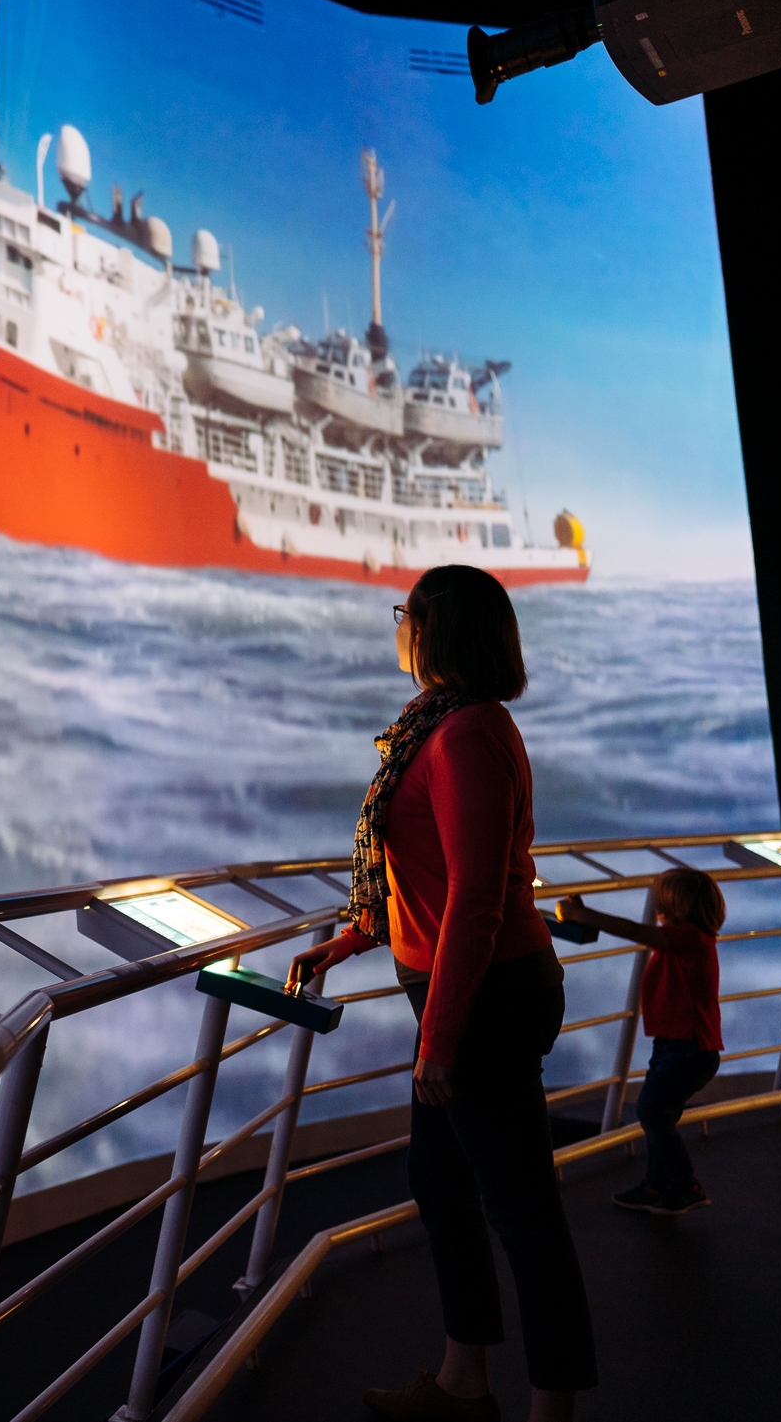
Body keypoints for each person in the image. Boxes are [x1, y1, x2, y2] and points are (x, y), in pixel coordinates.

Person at [288, 565, 595, 1422]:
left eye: (406, 614)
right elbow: (421, 883)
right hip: (462, 996)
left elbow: (475, 899)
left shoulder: (463, 735)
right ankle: (465, 1382)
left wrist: (440, 1041)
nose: (398, 626)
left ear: (434, 628)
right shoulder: (436, 725)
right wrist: (348, 940)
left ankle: (551, 1409)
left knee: (522, 1210)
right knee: (441, 1179)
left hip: (485, 999)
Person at [557, 868, 725, 1215]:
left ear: (678, 908)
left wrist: (582, 916)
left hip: (688, 1049)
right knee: (658, 1116)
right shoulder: (687, 940)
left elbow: (635, 931)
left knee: (651, 1112)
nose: (657, 908)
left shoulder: (690, 939)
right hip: (675, 1047)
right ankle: (655, 1186)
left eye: (662, 902)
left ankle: (684, 1185)